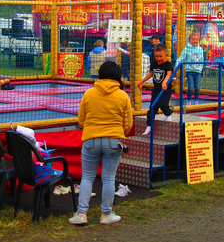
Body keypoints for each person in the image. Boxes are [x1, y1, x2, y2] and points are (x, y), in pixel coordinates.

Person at [69, 61, 133, 226]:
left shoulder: (89, 94)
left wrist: (90, 129)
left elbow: (81, 119)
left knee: (87, 177)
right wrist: (120, 134)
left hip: (90, 139)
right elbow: (128, 123)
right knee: (109, 178)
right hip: (113, 140)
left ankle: (81, 214)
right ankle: (106, 214)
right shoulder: (122, 95)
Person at [137, 43, 174, 136]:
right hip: (156, 90)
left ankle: (168, 113)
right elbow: (151, 73)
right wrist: (142, 81)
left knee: (163, 104)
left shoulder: (168, 64)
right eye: (156, 56)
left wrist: (164, 83)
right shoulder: (154, 64)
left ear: (166, 55)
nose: (158, 59)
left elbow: (169, 74)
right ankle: (149, 126)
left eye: (161, 56)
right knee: (152, 108)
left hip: (165, 90)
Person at [175, 31, 205, 103]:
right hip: (190, 71)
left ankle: (196, 100)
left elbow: (202, 59)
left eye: (196, 39)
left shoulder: (200, 49)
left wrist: (201, 68)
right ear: (190, 40)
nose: (195, 41)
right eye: (193, 39)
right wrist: (176, 65)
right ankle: (189, 100)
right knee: (191, 87)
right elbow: (181, 58)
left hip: (197, 71)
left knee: (197, 87)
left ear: (198, 40)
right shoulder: (187, 49)